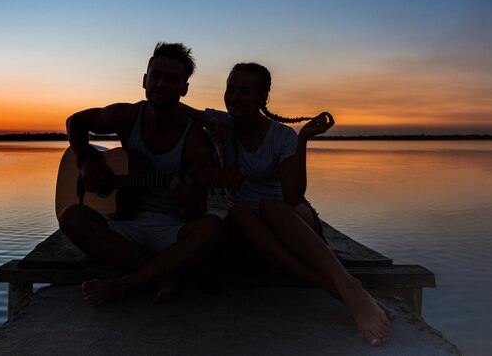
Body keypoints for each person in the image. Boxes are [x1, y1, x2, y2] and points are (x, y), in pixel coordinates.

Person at [183, 62, 394, 346]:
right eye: (230, 89)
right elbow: (177, 109)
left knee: (270, 205)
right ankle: (339, 290)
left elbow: (293, 197)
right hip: (251, 227)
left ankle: (348, 285)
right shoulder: (223, 123)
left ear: (262, 98)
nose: (234, 97)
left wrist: (303, 139)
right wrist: (207, 121)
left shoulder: (281, 135)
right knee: (238, 212)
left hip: (290, 218)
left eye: (245, 91)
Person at [58, 42, 226, 307]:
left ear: (184, 88)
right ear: (145, 80)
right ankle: (162, 273)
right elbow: (75, 122)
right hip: (124, 222)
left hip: (171, 229)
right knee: (71, 217)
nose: (161, 84)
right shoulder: (127, 115)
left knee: (213, 229)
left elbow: (196, 213)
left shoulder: (196, 140)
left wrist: (185, 199)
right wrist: (86, 160)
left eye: (172, 78)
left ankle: (127, 282)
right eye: (156, 75)